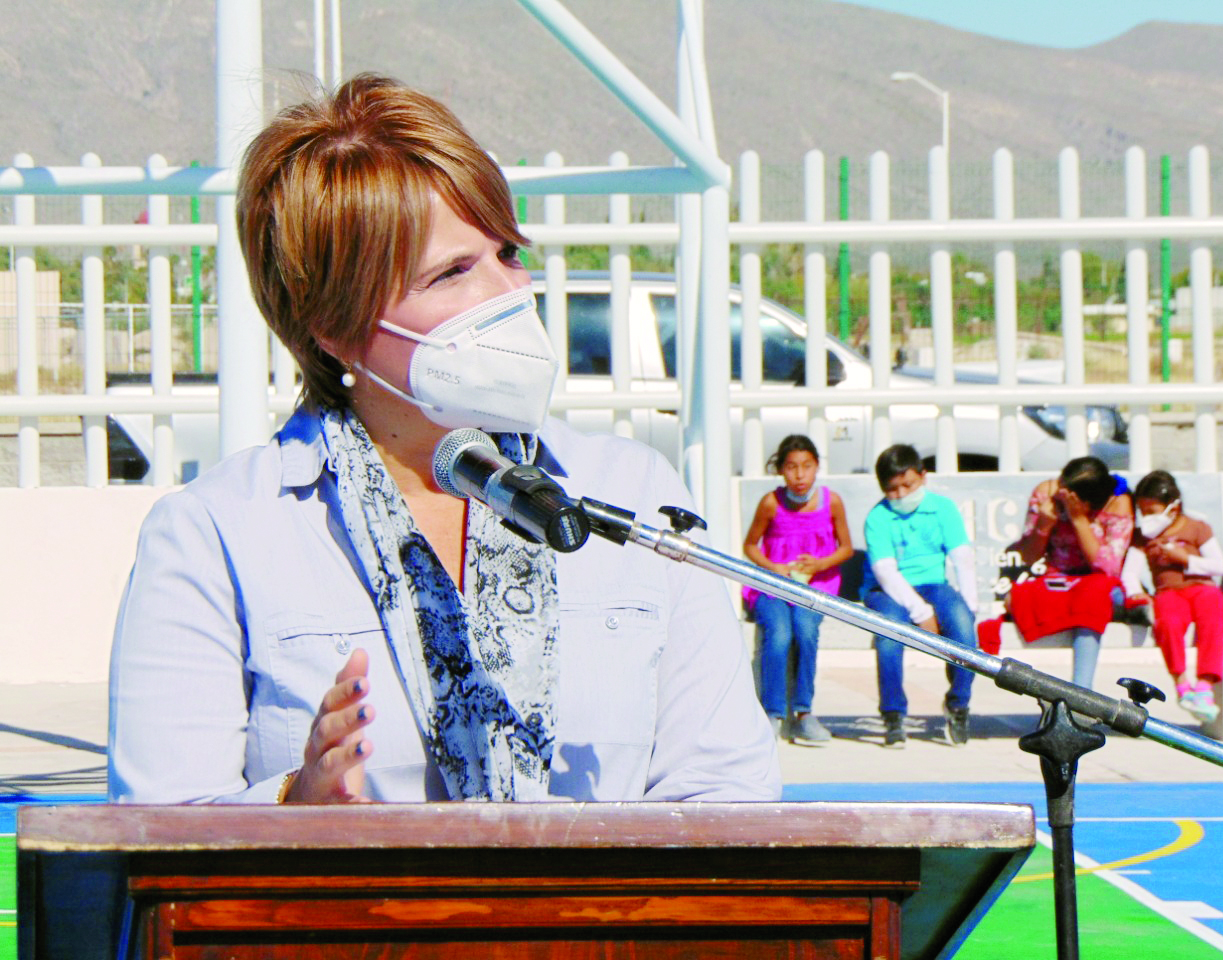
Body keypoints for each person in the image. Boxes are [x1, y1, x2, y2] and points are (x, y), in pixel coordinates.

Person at [107, 73, 780, 805]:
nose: (507, 293)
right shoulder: (216, 532)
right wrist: (292, 806)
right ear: (334, 328)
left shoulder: (634, 495)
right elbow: (159, 827)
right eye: (453, 272)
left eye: (508, 254)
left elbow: (723, 790)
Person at [861, 445, 979, 748]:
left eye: (908, 485)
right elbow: (886, 572)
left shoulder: (943, 508)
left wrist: (970, 605)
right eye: (892, 489)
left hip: (934, 585)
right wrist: (921, 612)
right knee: (889, 634)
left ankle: (958, 704)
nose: (901, 494)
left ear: (923, 477)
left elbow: (962, 558)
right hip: (888, 592)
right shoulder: (878, 518)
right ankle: (893, 714)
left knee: (964, 629)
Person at [742, 435, 853, 745]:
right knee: (778, 635)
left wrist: (820, 564)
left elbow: (846, 548)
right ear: (781, 470)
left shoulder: (832, 502)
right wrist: (772, 566)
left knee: (805, 631)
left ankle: (803, 713)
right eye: (791, 467)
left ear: (817, 466)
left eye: (806, 466)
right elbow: (750, 545)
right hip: (774, 586)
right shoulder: (770, 503)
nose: (800, 475)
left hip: (814, 588)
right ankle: (774, 714)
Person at [1005, 455, 1134, 690]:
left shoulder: (1118, 502)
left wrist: (1078, 519)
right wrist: (1043, 525)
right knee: (1018, 597)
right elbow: (1029, 557)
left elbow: (1108, 567)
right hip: (1059, 581)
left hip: (1099, 585)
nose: (1061, 497)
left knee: (1091, 601)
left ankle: (1080, 694)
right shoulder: (1047, 494)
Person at [1120, 470, 1223, 723]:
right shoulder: (1143, 537)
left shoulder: (1196, 527)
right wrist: (1138, 594)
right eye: (1143, 512)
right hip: (1168, 592)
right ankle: (1181, 684)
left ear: (1173, 506)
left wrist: (1186, 560)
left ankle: (1204, 687)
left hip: (1202, 587)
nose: (1148, 518)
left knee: (1214, 620)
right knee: (1168, 623)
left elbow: (1218, 565)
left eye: (1153, 511)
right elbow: (1130, 573)